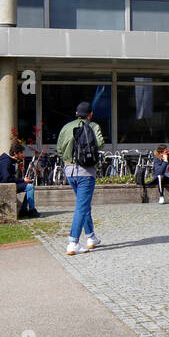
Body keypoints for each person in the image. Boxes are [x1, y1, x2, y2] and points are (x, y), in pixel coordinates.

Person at [57, 101, 105, 255]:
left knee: (83, 205)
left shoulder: (66, 127)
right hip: (86, 172)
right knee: (81, 207)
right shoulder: (93, 126)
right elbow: (100, 144)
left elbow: (59, 149)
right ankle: (73, 242)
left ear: (77, 114)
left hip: (70, 171)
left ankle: (91, 237)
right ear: (90, 114)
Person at [0, 141, 38, 218]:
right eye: (21, 153)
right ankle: (30, 211)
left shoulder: (8, 161)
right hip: (2, 186)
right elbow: (7, 178)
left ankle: (24, 210)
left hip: (3, 184)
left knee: (29, 186)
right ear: (16, 153)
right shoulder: (6, 161)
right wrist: (22, 180)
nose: (22, 155)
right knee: (30, 187)